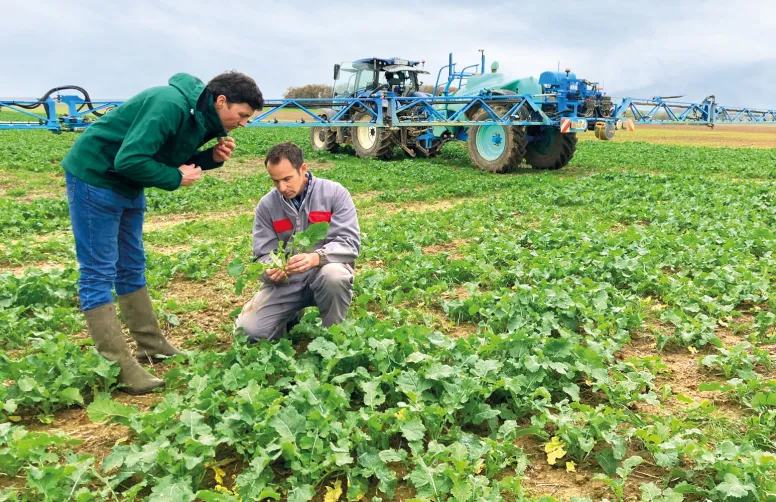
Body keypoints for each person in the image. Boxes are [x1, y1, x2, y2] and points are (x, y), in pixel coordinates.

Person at [62, 71, 264, 394]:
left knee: (131, 266)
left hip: (127, 183)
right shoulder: (170, 105)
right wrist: (175, 178)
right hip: (95, 176)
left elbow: (167, 155)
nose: (242, 123)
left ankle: (151, 344)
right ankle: (118, 365)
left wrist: (209, 158)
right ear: (221, 101)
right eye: (241, 115)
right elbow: (129, 159)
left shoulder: (202, 118)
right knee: (98, 272)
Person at [235, 142, 360, 341]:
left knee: (334, 276)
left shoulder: (335, 193)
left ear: (303, 169)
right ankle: (290, 315)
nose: (282, 187)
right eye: (275, 181)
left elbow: (349, 242)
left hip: (324, 273)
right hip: (288, 281)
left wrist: (316, 258)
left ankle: (335, 336)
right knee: (248, 333)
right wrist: (270, 269)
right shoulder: (267, 205)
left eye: (287, 179)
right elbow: (262, 255)